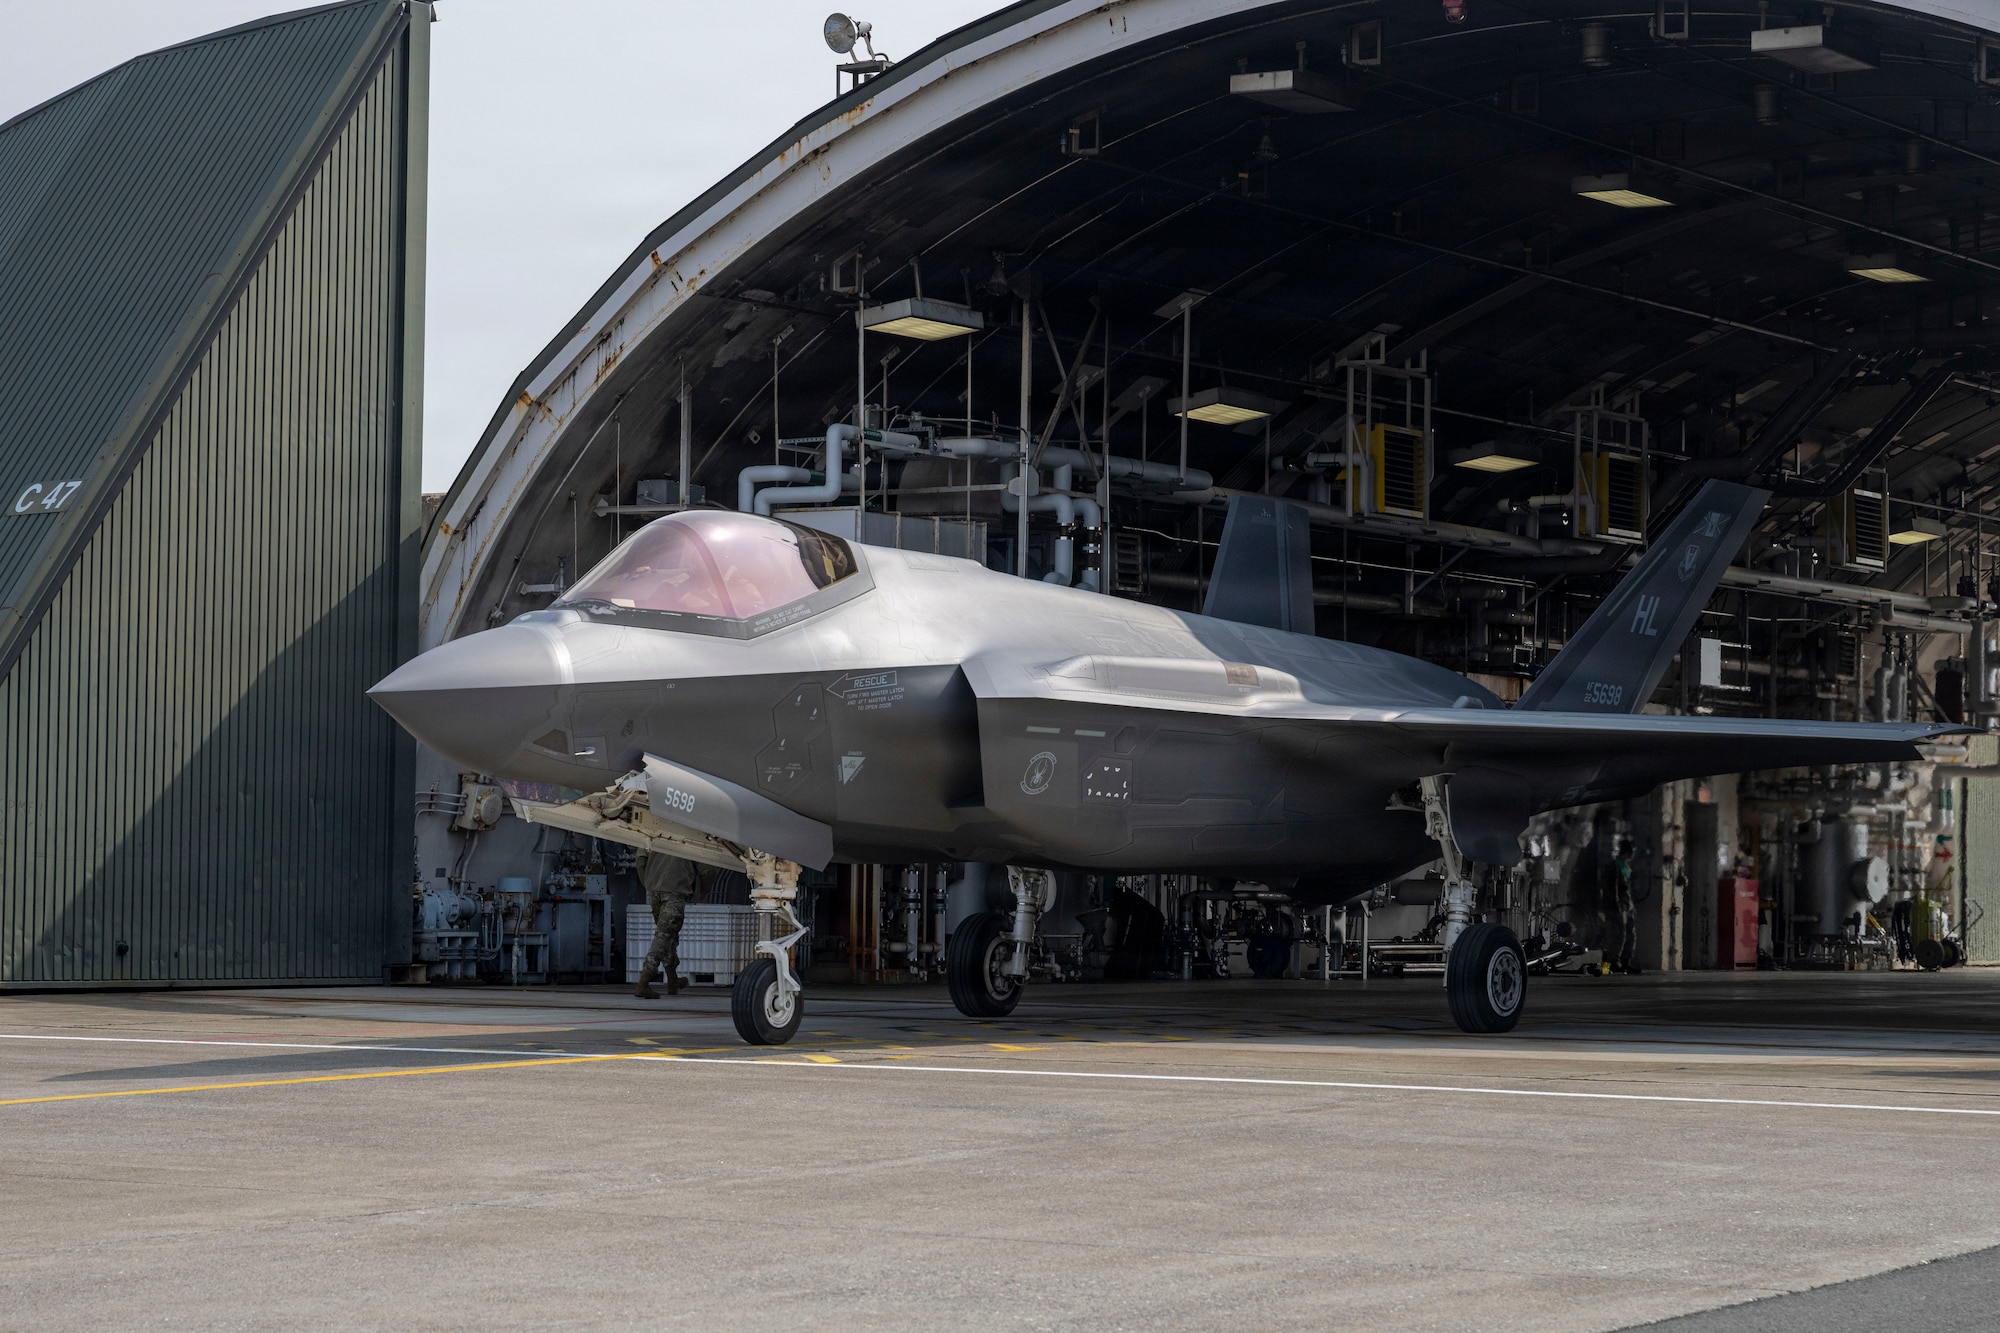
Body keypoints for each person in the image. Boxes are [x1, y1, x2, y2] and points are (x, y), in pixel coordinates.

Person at [633, 851, 698, 999]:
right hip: (675, 891)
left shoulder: (656, 830)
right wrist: (705, 888)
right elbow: (707, 868)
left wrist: (649, 882)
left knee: (669, 936)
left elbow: (640, 858)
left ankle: (672, 979)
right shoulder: (692, 834)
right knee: (663, 937)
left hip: (655, 892)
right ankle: (644, 982)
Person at [1600, 836, 1642, 975]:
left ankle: (1625, 962)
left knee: (1630, 934)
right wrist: (1616, 906)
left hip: (1627, 905)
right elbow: (1612, 889)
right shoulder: (1614, 866)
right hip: (1616, 906)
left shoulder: (1627, 867)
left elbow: (1627, 889)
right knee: (1615, 936)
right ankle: (1607, 967)